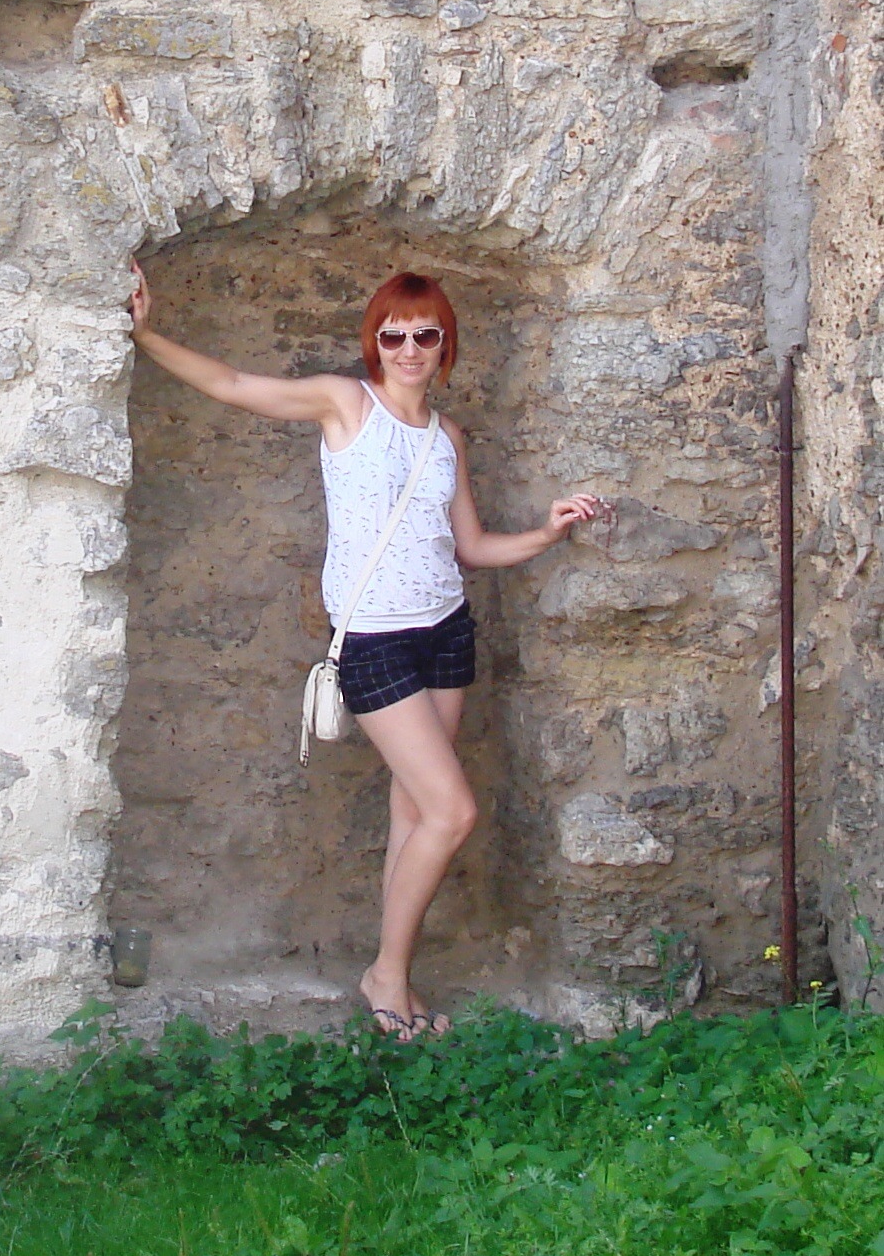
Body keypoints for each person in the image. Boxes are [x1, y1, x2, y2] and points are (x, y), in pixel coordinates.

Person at [129, 261, 597, 1040]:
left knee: (414, 811)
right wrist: (147, 336)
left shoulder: (448, 437)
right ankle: (385, 973)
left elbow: (471, 547)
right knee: (452, 811)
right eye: (393, 336)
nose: (408, 350)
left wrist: (547, 533)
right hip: (375, 642)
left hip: (446, 632)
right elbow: (234, 385)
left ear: (445, 345)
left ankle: (397, 985)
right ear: (373, 343)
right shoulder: (345, 404)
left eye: (425, 336)